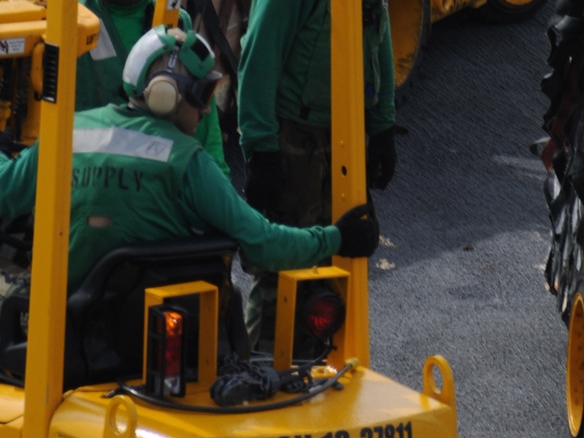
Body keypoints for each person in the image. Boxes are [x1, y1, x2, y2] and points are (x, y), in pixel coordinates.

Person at [0, 25, 379, 302]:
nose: (206, 109)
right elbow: (264, 243)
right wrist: (336, 238)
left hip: (57, 326)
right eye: (202, 94)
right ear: (166, 95)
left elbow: (5, 191)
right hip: (146, 336)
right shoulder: (187, 161)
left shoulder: (67, 134)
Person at [237, 0, 426, 335]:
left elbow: (374, 19)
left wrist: (381, 123)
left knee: (338, 264)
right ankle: (263, 369)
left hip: (340, 126)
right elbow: (261, 48)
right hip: (293, 129)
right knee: (283, 271)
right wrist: (260, 149)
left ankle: (319, 367)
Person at [76, 0, 230, 178]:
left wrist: (218, 178)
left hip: (157, 171)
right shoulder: (72, 15)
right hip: (91, 169)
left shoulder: (175, 21)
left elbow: (204, 123)